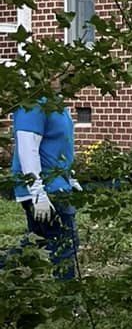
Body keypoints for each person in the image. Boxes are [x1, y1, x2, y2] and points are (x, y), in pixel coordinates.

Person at [9, 93, 79, 280]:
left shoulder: (55, 103)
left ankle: (7, 269)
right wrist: (38, 193)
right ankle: (69, 301)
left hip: (58, 184)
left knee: (35, 243)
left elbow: (60, 145)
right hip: (46, 188)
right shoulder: (31, 106)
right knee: (64, 245)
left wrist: (70, 177)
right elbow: (27, 150)